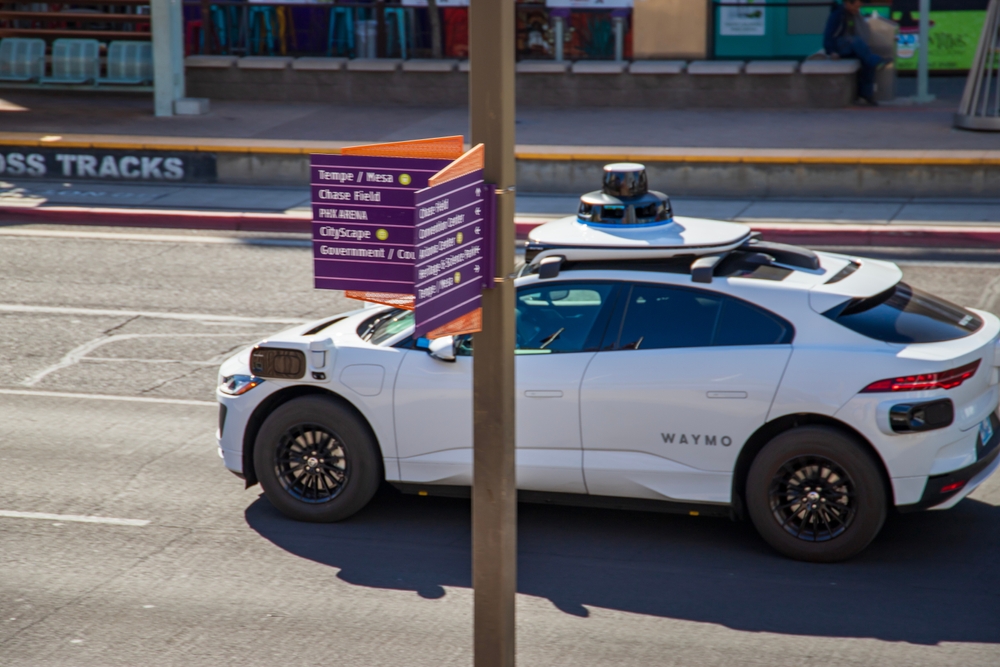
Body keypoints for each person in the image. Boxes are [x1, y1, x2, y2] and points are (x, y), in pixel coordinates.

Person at [823, 0, 890, 105]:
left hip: (851, 47)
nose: (857, 10)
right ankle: (875, 60)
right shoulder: (838, 15)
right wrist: (832, 51)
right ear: (848, 3)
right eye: (855, 7)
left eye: (858, 7)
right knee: (855, 40)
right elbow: (829, 34)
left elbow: (862, 30)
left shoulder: (855, 15)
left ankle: (866, 94)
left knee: (867, 62)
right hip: (839, 47)